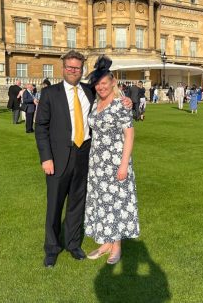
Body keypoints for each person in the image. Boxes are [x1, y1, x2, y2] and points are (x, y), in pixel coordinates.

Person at [35, 50, 131, 268]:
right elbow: (41, 127)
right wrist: (46, 158)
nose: (72, 71)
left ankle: (72, 244)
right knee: (54, 205)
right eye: (69, 67)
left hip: (85, 156)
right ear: (63, 68)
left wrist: (126, 101)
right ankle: (51, 249)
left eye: (76, 68)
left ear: (82, 70)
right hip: (58, 158)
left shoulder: (89, 91)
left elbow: (109, 98)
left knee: (77, 205)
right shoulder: (50, 93)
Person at [84, 55, 139, 265]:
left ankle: (116, 246)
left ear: (113, 82)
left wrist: (124, 164)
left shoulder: (120, 105)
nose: (100, 87)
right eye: (98, 84)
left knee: (116, 203)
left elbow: (130, 134)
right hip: (97, 163)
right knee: (101, 202)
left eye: (104, 83)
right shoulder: (95, 105)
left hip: (116, 162)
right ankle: (106, 242)